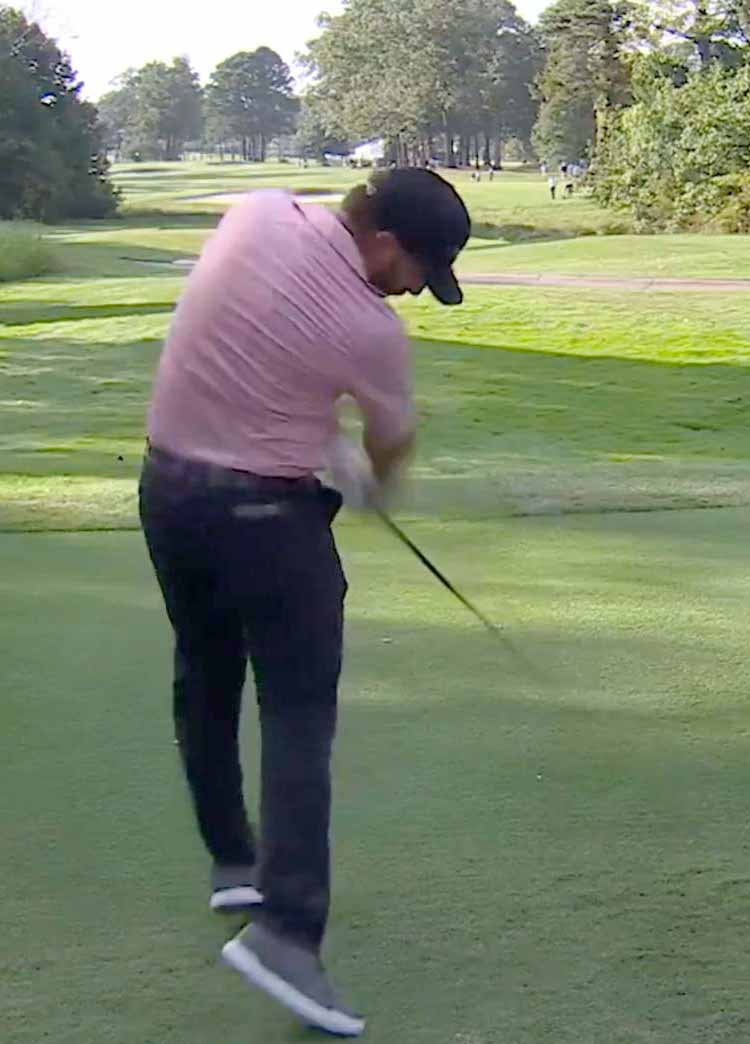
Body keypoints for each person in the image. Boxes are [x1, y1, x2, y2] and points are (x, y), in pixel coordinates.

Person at [138, 166, 471, 1036]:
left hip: (168, 493)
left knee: (204, 671)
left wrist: (310, 425)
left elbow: (249, 327)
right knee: (297, 714)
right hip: (267, 518)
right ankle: (284, 931)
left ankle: (234, 862)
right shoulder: (370, 327)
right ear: (387, 242)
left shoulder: (254, 214)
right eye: (417, 271)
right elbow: (393, 440)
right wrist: (367, 481)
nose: (412, 290)